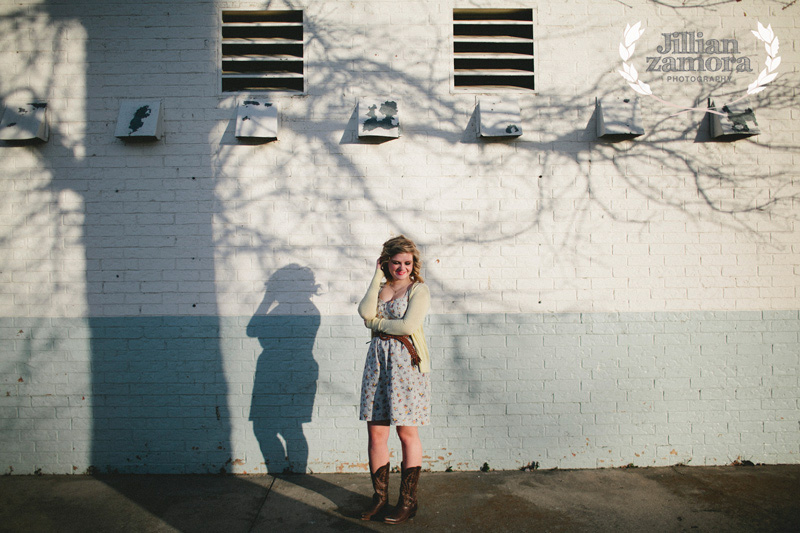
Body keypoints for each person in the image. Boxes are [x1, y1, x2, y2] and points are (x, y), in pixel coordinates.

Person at [357, 235, 431, 524]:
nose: (402, 268)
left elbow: (408, 325)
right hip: (377, 364)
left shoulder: (418, 289)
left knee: (406, 433)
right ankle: (379, 499)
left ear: (414, 264)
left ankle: (408, 501)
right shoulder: (382, 285)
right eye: (396, 262)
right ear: (386, 261)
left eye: (407, 263)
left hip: (405, 366)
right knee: (376, 432)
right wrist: (376, 276)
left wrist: (375, 324)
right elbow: (364, 311)